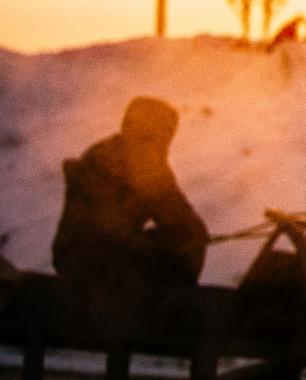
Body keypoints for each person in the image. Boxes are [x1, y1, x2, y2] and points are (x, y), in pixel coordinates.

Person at [52, 96, 209, 307]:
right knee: (181, 242)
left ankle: (169, 300)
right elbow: (106, 229)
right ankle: (164, 305)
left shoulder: (147, 166)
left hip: (102, 256)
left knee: (188, 237)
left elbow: (179, 217)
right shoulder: (107, 161)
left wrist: (188, 236)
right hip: (85, 259)